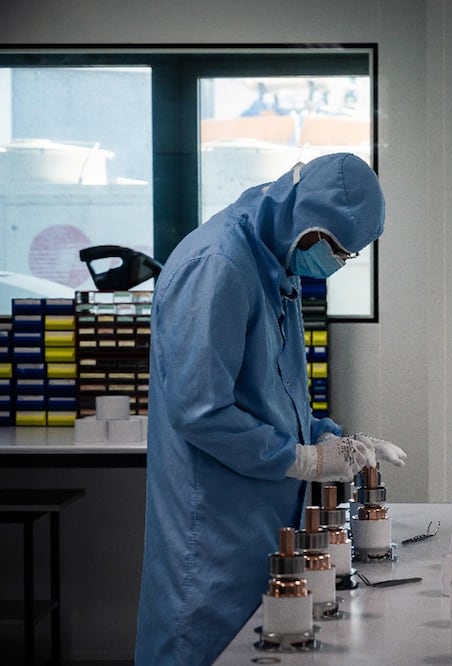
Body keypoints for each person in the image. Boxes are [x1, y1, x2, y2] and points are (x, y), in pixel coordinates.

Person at [135, 153, 406, 665]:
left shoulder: (273, 262)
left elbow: (275, 393)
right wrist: (301, 461)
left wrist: (330, 437)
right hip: (214, 525)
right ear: (311, 227)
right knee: (204, 646)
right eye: (340, 252)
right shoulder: (218, 265)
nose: (339, 264)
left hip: (257, 518)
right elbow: (201, 411)